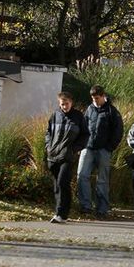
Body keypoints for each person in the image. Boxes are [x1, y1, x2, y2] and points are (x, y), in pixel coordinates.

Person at [77, 85, 124, 217]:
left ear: (103, 96)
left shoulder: (112, 111)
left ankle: (102, 209)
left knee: (102, 180)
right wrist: (81, 144)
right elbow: (83, 126)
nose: (95, 101)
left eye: (97, 98)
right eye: (93, 98)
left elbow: (118, 131)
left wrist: (109, 147)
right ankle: (85, 206)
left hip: (103, 150)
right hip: (88, 147)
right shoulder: (89, 109)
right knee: (82, 175)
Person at [45, 92, 90, 224]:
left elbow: (85, 135)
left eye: (67, 104)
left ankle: (61, 213)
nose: (65, 106)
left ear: (71, 102)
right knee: (57, 186)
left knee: (62, 182)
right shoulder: (55, 115)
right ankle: (61, 213)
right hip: (52, 155)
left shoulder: (78, 116)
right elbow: (48, 132)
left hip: (67, 156)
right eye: (62, 104)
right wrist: (48, 146)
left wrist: (75, 149)